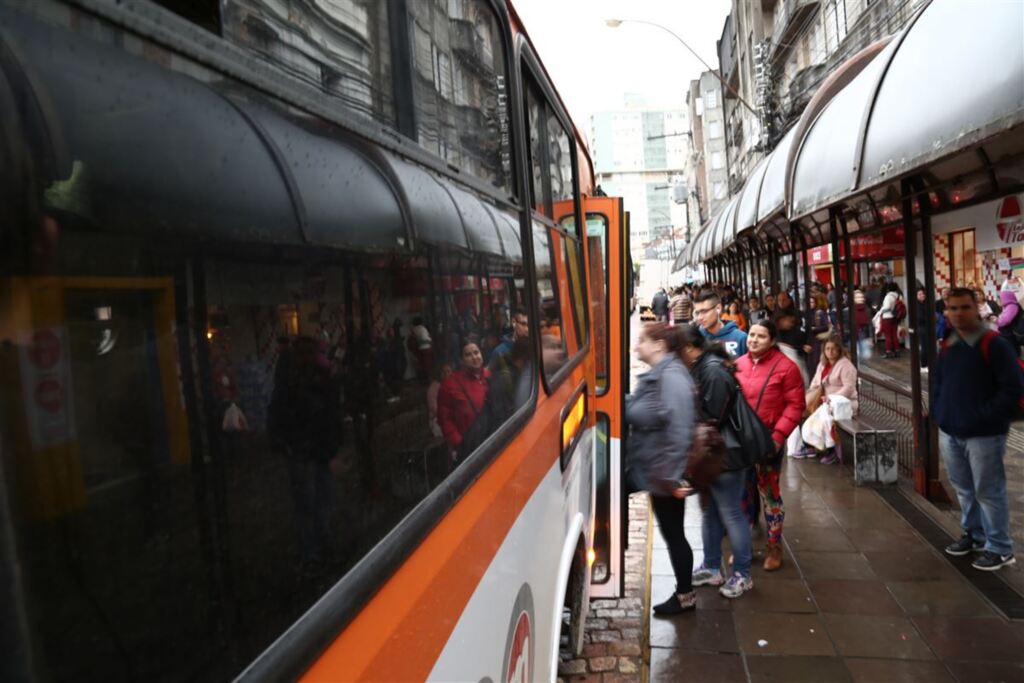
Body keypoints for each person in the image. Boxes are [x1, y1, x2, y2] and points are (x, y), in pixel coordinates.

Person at [933, 288, 1022, 571]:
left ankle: (1000, 547)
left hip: (984, 434)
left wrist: (984, 417)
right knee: (964, 489)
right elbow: (940, 381)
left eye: (964, 307)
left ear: (977, 308)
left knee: (988, 490)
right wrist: (940, 411)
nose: (958, 313)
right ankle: (974, 535)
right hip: (951, 430)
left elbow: (1012, 388)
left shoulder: (994, 343)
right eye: (952, 308)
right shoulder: (949, 342)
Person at [626, 323, 698, 614]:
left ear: (659, 345)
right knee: (671, 531)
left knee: (673, 533)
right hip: (650, 467)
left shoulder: (672, 378)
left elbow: (680, 432)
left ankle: (685, 596)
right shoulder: (661, 375)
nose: (636, 346)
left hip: (662, 474)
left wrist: (671, 479)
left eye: (641, 341)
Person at [679, 326, 755, 599]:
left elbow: (714, 415)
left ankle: (743, 574)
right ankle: (712, 566)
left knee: (731, 513)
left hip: (725, 454)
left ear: (689, 348)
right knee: (711, 511)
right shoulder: (704, 367)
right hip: (713, 454)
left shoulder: (711, 370)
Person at [735, 320, 805, 571]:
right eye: (752, 335)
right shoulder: (739, 364)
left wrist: (778, 437)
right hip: (741, 444)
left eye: (761, 336)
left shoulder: (786, 367)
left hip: (768, 443)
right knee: (743, 496)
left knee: (770, 497)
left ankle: (774, 547)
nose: (753, 340)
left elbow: (795, 405)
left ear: (772, 340)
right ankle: (743, 547)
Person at [802, 336, 859, 464]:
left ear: (839, 350)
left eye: (833, 349)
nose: (830, 352)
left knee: (826, 419)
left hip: (844, 403)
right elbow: (816, 381)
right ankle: (810, 446)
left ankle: (831, 451)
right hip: (824, 402)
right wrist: (812, 394)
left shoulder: (846, 365)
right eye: (827, 349)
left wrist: (831, 398)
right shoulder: (823, 364)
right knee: (804, 412)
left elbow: (849, 388)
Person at [437, 341, 491, 462]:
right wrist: (459, 443)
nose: (474, 357)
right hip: (469, 448)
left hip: (492, 439)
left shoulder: (489, 375)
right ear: (462, 360)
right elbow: (445, 419)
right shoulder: (449, 384)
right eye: (468, 354)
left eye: (476, 352)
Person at [694, 290, 747, 357]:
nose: (700, 317)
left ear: (718, 308)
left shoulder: (741, 338)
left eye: (704, 311)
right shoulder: (696, 339)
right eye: (697, 313)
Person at [807, 293, 832, 377]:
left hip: (817, 340)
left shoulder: (819, 313)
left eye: (812, 302)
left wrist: (814, 329)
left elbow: (825, 326)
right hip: (813, 340)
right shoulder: (810, 313)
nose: (810, 304)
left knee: (817, 360)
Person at [878, 283, 902, 358]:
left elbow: (887, 307)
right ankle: (897, 350)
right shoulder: (899, 296)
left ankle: (889, 351)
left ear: (888, 289)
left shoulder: (888, 297)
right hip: (895, 317)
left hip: (887, 317)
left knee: (888, 335)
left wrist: (880, 310)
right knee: (894, 334)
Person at [997, 288, 1022, 357]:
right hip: (1009, 334)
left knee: (1012, 354)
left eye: (1001, 298)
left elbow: (1006, 321)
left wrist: (997, 320)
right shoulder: (1008, 306)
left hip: (1010, 335)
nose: (1001, 300)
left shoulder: (1012, 306)